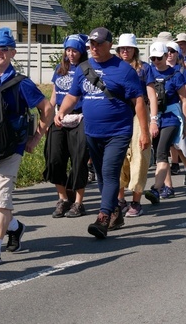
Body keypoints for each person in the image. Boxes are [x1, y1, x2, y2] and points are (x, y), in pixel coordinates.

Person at [0, 27, 51, 268]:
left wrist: (35, 138)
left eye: (4, 48)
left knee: (2, 199)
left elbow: (47, 109)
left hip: (12, 149)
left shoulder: (22, 84)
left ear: (12, 52)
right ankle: (15, 227)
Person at [56, 27, 150, 239]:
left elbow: (139, 102)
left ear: (110, 45)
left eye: (99, 44)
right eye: (91, 44)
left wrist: (144, 132)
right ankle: (116, 211)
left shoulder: (124, 70)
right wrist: (61, 111)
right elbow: (73, 95)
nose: (94, 48)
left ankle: (103, 217)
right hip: (92, 131)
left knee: (109, 172)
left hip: (118, 131)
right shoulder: (83, 68)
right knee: (101, 175)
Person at [44, 34, 90, 219]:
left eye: (75, 50)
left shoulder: (87, 69)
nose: (71, 54)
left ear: (81, 52)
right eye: (68, 50)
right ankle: (63, 198)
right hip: (60, 117)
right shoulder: (60, 69)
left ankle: (78, 202)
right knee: (54, 158)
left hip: (80, 117)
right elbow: (54, 95)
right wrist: (49, 119)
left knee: (79, 160)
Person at [143, 41, 186, 204]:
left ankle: (156, 189)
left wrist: (185, 123)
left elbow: (184, 99)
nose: (156, 61)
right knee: (158, 154)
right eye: (153, 58)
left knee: (162, 151)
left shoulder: (176, 75)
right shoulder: (148, 72)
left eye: (159, 58)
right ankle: (167, 187)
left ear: (165, 56)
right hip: (155, 118)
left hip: (171, 117)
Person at [116, 33, 156, 218]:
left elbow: (151, 94)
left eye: (128, 48)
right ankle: (120, 199)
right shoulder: (113, 67)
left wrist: (153, 120)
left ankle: (136, 201)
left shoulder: (144, 69)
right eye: (122, 48)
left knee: (139, 155)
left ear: (135, 50)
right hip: (118, 115)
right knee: (118, 157)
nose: (125, 51)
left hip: (139, 116)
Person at [165, 40, 186, 189]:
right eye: (167, 51)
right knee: (167, 145)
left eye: (172, 51)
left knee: (178, 144)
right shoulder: (156, 68)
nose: (169, 54)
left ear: (177, 54)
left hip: (176, 110)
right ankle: (166, 183)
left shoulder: (181, 71)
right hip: (161, 112)